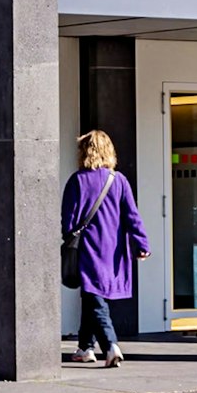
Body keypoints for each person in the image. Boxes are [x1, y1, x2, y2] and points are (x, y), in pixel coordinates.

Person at [61, 130, 150, 367]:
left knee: (95, 298)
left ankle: (111, 346)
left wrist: (69, 238)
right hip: (114, 250)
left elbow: (68, 222)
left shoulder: (77, 181)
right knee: (92, 296)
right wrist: (142, 245)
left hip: (89, 248)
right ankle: (85, 347)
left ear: (84, 152)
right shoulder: (118, 180)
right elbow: (133, 216)